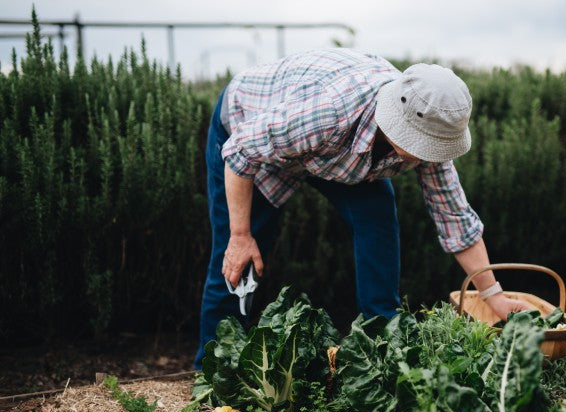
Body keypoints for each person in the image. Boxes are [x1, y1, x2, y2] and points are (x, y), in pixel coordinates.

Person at [195, 48, 530, 368]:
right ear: (396, 119)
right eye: (420, 144)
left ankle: (381, 342)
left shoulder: (431, 133)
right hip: (249, 127)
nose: (423, 154)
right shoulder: (328, 113)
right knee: (238, 256)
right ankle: (214, 369)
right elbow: (241, 151)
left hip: (335, 155)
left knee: (378, 219)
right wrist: (240, 235)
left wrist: (493, 296)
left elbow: (455, 219)